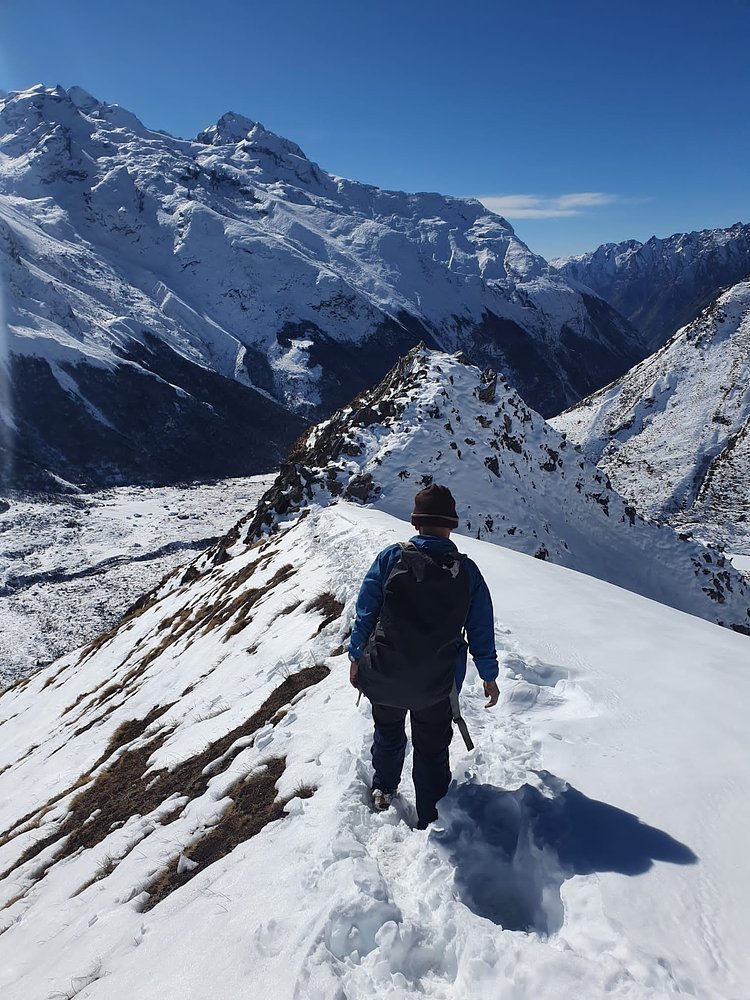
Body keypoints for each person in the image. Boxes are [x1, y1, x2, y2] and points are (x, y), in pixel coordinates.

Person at [348, 484, 499, 829]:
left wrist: (356, 656)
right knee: (431, 746)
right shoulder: (467, 571)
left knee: (387, 731)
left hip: (386, 673)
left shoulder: (391, 557)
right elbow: (480, 630)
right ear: (451, 525)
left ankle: (384, 788)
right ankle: (431, 813)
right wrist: (489, 676)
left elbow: (367, 612)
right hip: (438, 684)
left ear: (415, 523)